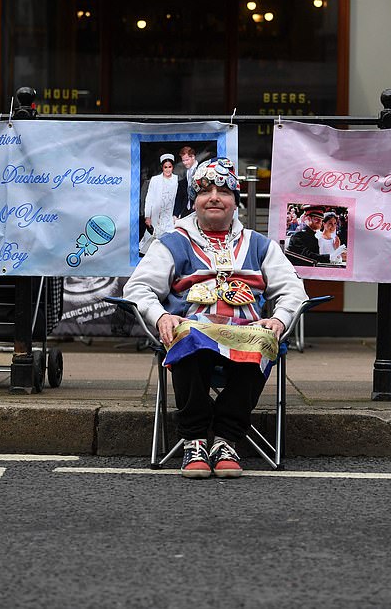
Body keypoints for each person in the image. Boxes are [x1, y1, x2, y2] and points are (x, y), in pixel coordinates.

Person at [124, 157, 307, 479]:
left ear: (235, 202)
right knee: (186, 335)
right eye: (205, 191)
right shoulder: (172, 243)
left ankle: (226, 439)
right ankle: (194, 439)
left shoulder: (259, 245)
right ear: (194, 200)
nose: (214, 198)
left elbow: (293, 290)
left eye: (223, 191)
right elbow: (137, 288)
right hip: (192, 331)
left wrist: (278, 320)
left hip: (246, 333)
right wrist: (161, 316)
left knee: (263, 340)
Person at [144, 153, 179, 239]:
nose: (168, 169)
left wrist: (177, 215)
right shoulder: (155, 180)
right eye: (165, 167)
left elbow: (180, 198)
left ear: (173, 167)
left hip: (170, 217)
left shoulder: (177, 179)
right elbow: (149, 199)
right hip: (156, 216)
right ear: (162, 167)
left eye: (170, 167)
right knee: (153, 240)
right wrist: (147, 216)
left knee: (169, 240)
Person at [172, 145, 197, 220]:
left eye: (187, 160)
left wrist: (196, 203)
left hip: (197, 208)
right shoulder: (186, 172)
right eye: (183, 161)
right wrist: (176, 214)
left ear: (193, 157)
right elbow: (181, 194)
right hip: (186, 208)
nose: (185, 163)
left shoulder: (200, 170)